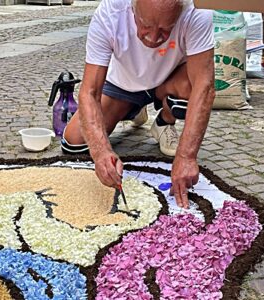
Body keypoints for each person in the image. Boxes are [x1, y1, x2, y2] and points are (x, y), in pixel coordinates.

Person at [61, 0, 215, 209]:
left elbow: (204, 87)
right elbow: (90, 91)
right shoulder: (110, 11)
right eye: (144, 24)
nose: (153, 38)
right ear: (132, 7)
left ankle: (164, 120)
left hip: (170, 80)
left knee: (193, 88)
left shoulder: (197, 10)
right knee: (74, 141)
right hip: (124, 84)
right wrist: (101, 151)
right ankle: (133, 108)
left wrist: (187, 156)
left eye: (165, 29)